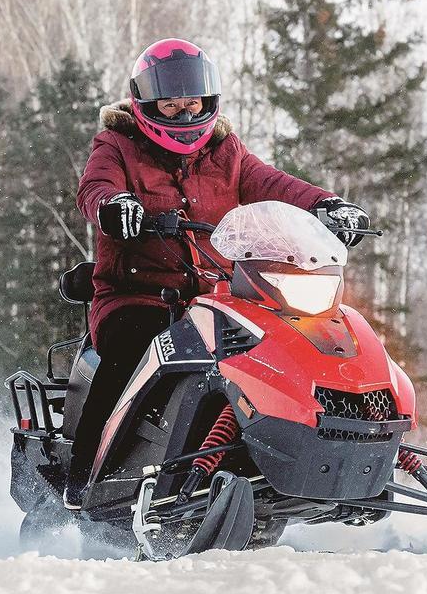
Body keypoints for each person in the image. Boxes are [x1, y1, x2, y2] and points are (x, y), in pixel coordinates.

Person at [65, 37, 369, 507]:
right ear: (147, 104)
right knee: (129, 351)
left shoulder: (228, 152)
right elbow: (95, 187)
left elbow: (272, 184)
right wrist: (114, 205)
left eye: (193, 105)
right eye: (171, 106)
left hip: (221, 295)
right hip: (138, 296)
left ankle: (332, 458)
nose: (185, 117)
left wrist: (325, 205)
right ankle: (83, 482)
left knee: (298, 343)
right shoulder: (117, 145)